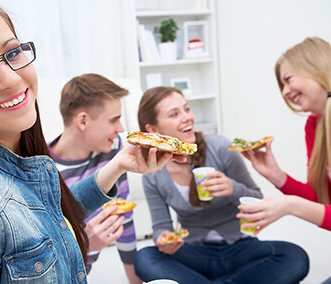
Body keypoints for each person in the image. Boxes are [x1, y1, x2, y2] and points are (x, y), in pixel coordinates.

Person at [0, 1, 182, 283]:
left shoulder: (11, 162)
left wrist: (119, 164)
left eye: (12, 53)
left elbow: (44, 214)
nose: (11, 80)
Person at [132, 86, 309, 284]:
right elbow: (161, 226)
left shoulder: (221, 148)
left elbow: (257, 199)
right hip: (194, 252)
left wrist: (233, 188)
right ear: (153, 130)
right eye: (174, 114)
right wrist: (163, 238)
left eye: (186, 109)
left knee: (295, 258)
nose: (187, 117)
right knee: (144, 258)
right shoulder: (152, 173)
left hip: (240, 247)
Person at [49, 73, 142, 283]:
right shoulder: (43, 172)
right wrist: (83, 245)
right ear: (83, 120)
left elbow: (123, 218)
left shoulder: (114, 148)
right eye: (114, 119)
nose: (121, 128)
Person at [237, 38, 331, 239]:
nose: (285, 91)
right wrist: (277, 176)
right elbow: (320, 202)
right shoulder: (314, 126)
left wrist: (290, 205)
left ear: (317, 69)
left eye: (288, 79)